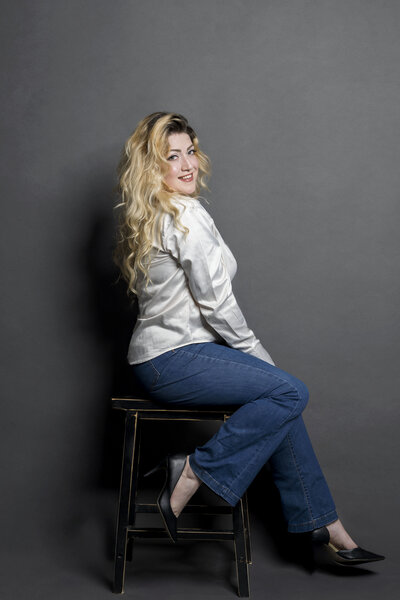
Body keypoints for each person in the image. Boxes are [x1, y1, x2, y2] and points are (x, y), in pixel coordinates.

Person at [114, 111, 384, 568]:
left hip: (162, 360)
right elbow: (217, 304)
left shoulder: (156, 213)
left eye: (190, 152)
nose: (187, 165)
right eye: (171, 156)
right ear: (151, 166)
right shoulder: (185, 215)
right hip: (176, 358)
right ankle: (194, 469)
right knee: (288, 390)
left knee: (282, 402)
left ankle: (325, 524)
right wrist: (261, 358)